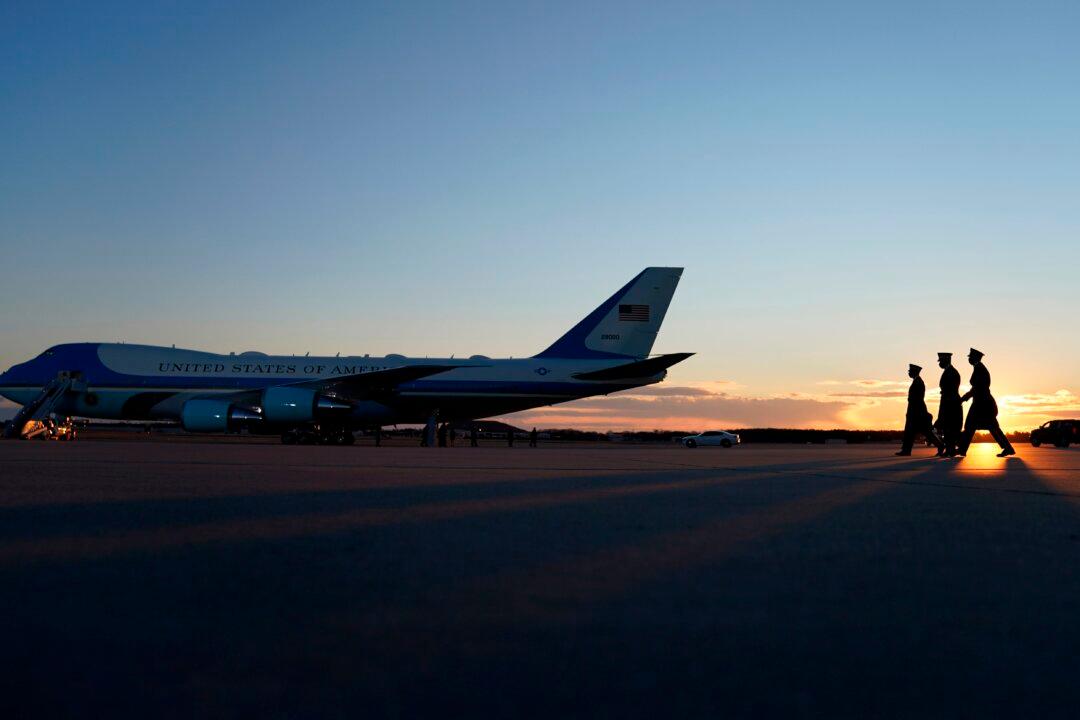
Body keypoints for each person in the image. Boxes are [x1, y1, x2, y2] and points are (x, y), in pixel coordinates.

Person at [957, 348, 1015, 457]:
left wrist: (964, 398)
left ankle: (1008, 448)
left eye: (970, 357)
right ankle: (962, 449)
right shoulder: (978, 368)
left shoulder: (980, 369)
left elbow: (977, 388)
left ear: (975, 358)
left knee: (987, 427)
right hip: (981, 403)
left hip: (982, 404)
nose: (969, 359)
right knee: (974, 426)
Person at [897, 363, 943, 456]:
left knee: (925, 432)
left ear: (915, 372)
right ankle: (906, 450)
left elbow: (917, 399)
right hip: (916, 411)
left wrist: (913, 412)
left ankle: (940, 446)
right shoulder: (917, 381)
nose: (909, 372)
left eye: (910, 371)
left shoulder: (918, 382)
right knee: (911, 432)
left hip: (917, 412)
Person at [934, 352, 963, 457]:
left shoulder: (951, 372)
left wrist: (945, 406)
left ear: (947, 360)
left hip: (950, 403)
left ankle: (951, 449)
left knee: (950, 427)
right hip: (948, 402)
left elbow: (950, 391)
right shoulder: (949, 371)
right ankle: (950, 449)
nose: (939, 363)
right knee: (947, 427)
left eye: (941, 361)